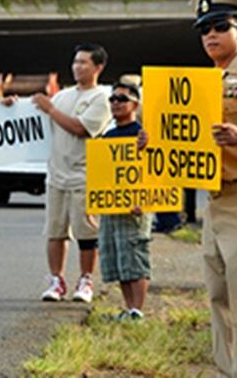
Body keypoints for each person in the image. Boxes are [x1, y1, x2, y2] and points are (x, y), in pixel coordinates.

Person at [142, 0, 237, 376]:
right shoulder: (201, 84)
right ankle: (228, 370)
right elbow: (183, 136)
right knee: (218, 293)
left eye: (220, 26)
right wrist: (152, 138)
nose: (211, 35)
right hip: (214, 199)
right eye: (204, 29)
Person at [32, 43, 112, 303]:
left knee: (86, 233)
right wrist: (11, 105)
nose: (77, 66)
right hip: (57, 176)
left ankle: (86, 279)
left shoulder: (101, 98)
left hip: (84, 176)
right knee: (55, 231)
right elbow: (38, 116)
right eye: (76, 61)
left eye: (84, 62)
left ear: (97, 67)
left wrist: (51, 110)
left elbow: (80, 128)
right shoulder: (63, 96)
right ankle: (56, 279)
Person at [98, 82, 152, 321]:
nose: (116, 103)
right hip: (112, 206)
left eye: (122, 98)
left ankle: (138, 311)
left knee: (134, 255)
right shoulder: (108, 135)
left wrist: (145, 200)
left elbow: (156, 170)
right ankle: (129, 308)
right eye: (112, 99)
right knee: (119, 259)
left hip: (136, 206)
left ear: (135, 104)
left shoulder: (144, 134)